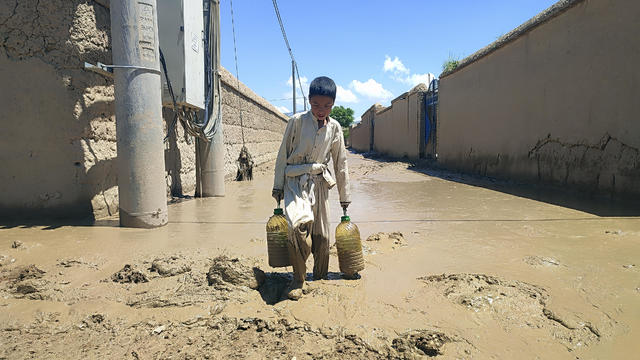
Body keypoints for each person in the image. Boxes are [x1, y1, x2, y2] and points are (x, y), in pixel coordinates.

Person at [272, 76, 351, 300]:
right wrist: (278, 187)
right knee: (298, 228)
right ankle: (299, 278)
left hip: (320, 184)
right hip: (296, 183)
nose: (321, 110)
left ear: (333, 104)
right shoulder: (296, 122)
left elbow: (341, 163)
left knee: (323, 237)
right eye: (316, 104)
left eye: (326, 105)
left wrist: (345, 197)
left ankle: (321, 277)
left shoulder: (335, 128)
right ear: (309, 101)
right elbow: (282, 156)